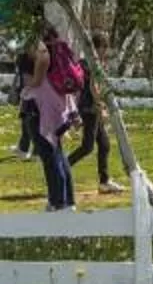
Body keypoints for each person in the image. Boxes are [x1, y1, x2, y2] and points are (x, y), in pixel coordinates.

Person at [56, 33, 121, 194]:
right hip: (89, 109)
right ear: (99, 48)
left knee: (104, 145)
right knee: (87, 147)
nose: (105, 52)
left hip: (92, 107)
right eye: (104, 48)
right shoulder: (90, 64)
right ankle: (61, 169)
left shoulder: (89, 63)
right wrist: (101, 106)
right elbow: (93, 87)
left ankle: (104, 181)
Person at [24, 35, 76, 211]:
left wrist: (33, 81)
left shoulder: (40, 44)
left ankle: (57, 201)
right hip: (55, 104)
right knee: (58, 154)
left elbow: (42, 60)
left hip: (40, 105)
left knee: (49, 156)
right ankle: (67, 200)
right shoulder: (55, 44)